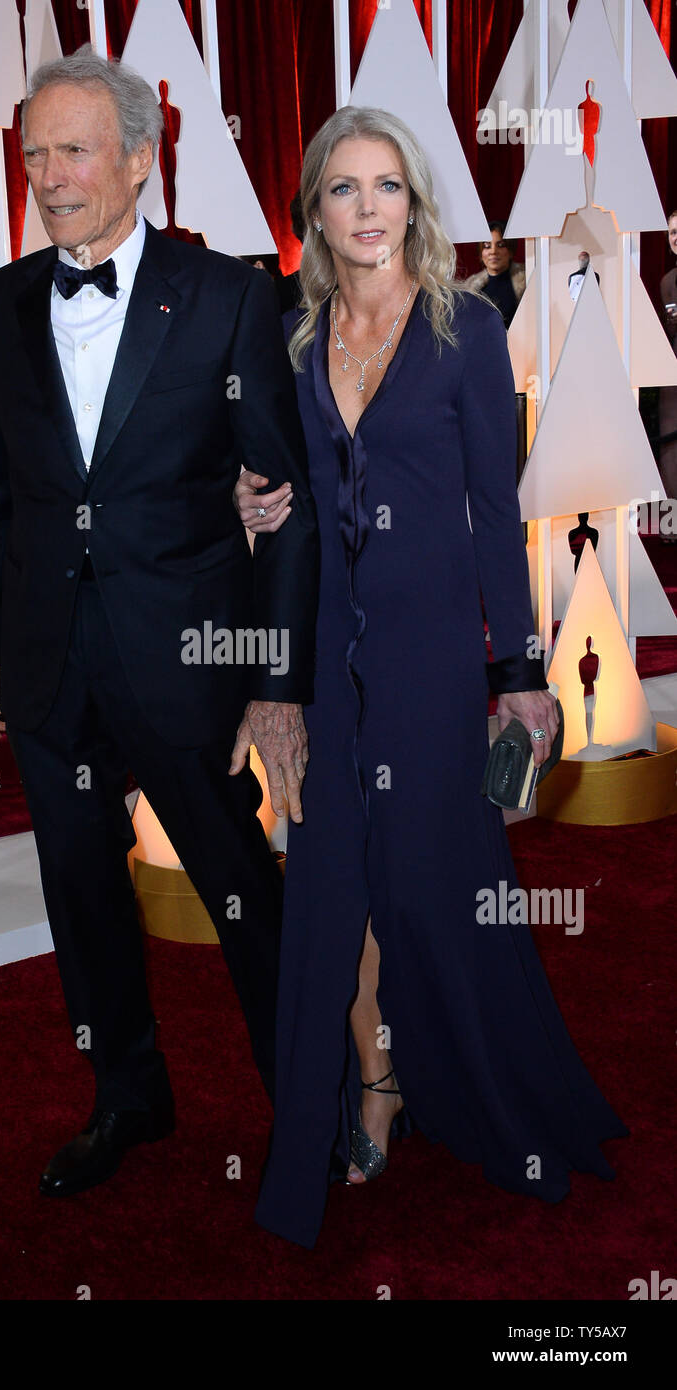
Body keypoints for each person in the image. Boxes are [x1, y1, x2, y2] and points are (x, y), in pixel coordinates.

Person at [235, 106, 626, 1249]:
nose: (369, 209)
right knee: (330, 883)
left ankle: (466, 1081)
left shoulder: (463, 331)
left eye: (388, 186)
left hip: (428, 663)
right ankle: (372, 1084)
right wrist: (252, 506)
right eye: (345, 189)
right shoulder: (294, 341)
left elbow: (496, 516)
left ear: (416, 203)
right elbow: (283, 493)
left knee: (428, 882)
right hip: (324, 654)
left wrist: (516, 669)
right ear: (312, 210)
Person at [0, 47, 319, 1200]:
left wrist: (274, 676)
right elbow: (1, 497)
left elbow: (287, 504)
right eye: (32, 156)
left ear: (141, 160)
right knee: (81, 892)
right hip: (52, 663)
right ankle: (127, 1096)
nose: (50, 178)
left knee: (242, 893)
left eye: (73, 150)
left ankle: (299, 1100)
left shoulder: (228, 298)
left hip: (192, 664)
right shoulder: (0, 303)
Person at [463, 220, 525, 327]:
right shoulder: (469, 288)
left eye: (500, 245)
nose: (493, 251)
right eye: (487, 246)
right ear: (481, 253)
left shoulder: (528, 280)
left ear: (510, 251)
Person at [658, 210, 677, 510]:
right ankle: (670, 526)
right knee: (671, 449)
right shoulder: (667, 282)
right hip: (673, 379)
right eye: (673, 232)